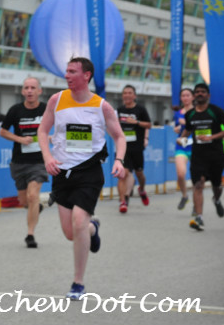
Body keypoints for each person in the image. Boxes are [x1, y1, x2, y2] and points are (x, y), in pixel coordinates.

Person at [37, 57, 126, 300]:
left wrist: (119, 160)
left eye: (72, 71)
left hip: (89, 172)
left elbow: (119, 136)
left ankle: (78, 283)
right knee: (71, 232)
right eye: (66, 71)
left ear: (86, 75)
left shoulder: (102, 106)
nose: (67, 75)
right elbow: (42, 131)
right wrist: (47, 157)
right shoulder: (56, 100)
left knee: (78, 222)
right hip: (62, 173)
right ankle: (92, 229)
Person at [0, 77, 47, 248]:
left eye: (33, 87)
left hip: (39, 161)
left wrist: (50, 137)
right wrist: (20, 139)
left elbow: (58, 126)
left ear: (39, 91)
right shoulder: (16, 110)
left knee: (33, 196)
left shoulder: (46, 109)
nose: (29, 91)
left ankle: (30, 234)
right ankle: (37, 207)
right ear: (22, 91)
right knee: (25, 201)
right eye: (26, 87)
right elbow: (3, 132)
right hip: (19, 161)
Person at [178, 83, 224, 231]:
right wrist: (182, 139)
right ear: (195, 95)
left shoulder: (217, 111)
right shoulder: (190, 114)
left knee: (216, 186)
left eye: (203, 92)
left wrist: (211, 137)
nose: (200, 94)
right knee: (198, 184)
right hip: (198, 156)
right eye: (197, 92)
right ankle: (199, 218)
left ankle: (216, 199)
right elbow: (188, 130)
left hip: (215, 155)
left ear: (208, 95)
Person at [116, 85, 151, 213]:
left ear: (134, 96)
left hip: (137, 147)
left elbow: (149, 125)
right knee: (123, 174)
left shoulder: (140, 110)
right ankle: (122, 202)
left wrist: (136, 122)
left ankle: (141, 189)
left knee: (139, 174)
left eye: (130, 93)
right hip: (123, 148)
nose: (127, 95)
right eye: (125, 93)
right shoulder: (119, 110)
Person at [173, 88, 193, 210]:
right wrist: (176, 128)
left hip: (196, 146)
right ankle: (185, 196)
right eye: (183, 96)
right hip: (181, 145)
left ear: (193, 97)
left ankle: (197, 202)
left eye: (188, 95)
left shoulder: (197, 111)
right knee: (180, 174)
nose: (185, 98)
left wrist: (186, 122)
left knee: (197, 177)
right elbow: (176, 127)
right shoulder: (178, 113)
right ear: (181, 98)